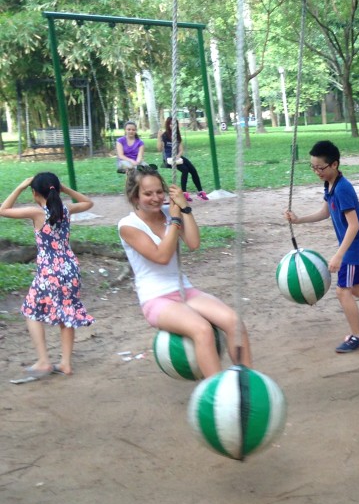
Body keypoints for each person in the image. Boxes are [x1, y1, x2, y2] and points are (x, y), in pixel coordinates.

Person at [118, 165, 250, 378]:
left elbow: (194, 243)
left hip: (183, 290)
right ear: (135, 197)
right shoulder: (128, 226)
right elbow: (162, 256)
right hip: (156, 299)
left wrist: (185, 208)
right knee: (202, 329)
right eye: (148, 194)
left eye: (159, 192)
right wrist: (174, 220)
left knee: (234, 321)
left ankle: (247, 383)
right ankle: (217, 391)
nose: (156, 198)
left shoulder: (169, 213)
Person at [284, 140, 359, 353]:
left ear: (334, 164)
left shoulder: (342, 189)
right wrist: (299, 220)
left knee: (343, 291)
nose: (317, 172)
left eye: (320, 168)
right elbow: (326, 212)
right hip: (357, 245)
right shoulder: (330, 184)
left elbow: (354, 225)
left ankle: (357, 337)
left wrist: (339, 255)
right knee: (357, 288)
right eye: (313, 167)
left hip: (355, 247)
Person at [1, 172, 94, 377]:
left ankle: (44, 361)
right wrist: (65, 189)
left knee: (30, 310)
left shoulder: (37, 213)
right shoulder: (66, 209)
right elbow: (88, 203)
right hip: (70, 268)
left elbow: (3, 210)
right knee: (67, 312)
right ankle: (65, 363)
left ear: (35, 193)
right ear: (57, 190)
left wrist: (20, 187)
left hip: (49, 271)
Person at [160, 117, 209, 202]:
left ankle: (200, 192)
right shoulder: (164, 135)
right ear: (168, 125)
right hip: (169, 159)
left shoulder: (177, 135)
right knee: (185, 170)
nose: (172, 126)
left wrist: (178, 156)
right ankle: (184, 193)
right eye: (171, 124)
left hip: (177, 157)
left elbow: (181, 150)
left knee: (193, 170)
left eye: (174, 124)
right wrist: (159, 138)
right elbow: (160, 149)